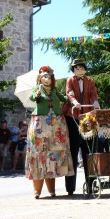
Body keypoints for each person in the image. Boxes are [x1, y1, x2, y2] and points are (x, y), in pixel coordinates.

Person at [25, 66, 74, 199]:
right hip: (40, 125)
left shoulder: (54, 90)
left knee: (53, 154)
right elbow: (33, 97)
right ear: (40, 78)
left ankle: (52, 190)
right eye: (44, 77)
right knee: (39, 154)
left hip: (57, 125)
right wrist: (38, 92)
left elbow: (63, 98)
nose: (47, 79)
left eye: (49, 77)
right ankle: (37, 191)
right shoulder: (38, 89)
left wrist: (72, 98)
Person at [63, 58, 100, 196]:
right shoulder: (70, 80)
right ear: (73, 69)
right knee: (73, 151)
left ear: (85, 69)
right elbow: (69, 93)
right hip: (73, 117)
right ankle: (70, 188)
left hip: (88, 116)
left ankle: (91, 185)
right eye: (76, 68)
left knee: (90, 152)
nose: (79, 70)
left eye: (81, 67)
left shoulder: (90, 81)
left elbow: (94, 94)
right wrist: (74, 102)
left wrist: (95, 102)